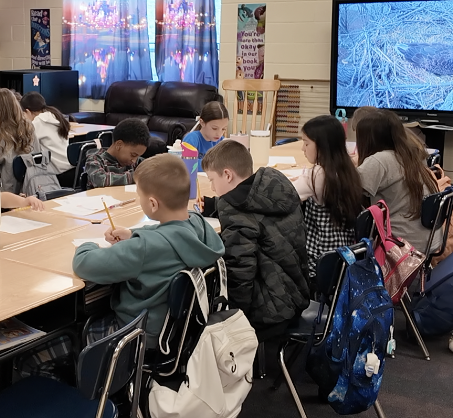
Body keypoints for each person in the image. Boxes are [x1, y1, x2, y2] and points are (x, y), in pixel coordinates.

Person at [21, 154, 224, 379]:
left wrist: (87, 244)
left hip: (134, 336)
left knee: (32, 357)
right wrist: (134, 234)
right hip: (176, 334)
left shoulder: (143, 249)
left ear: (153, 204)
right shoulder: (199, 225)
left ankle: (83, 393)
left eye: (140, 195)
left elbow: (84, 264)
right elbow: (169, 232)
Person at [201, 139, 310, 341]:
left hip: (270, 312)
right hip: (296, 293)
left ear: (227, 175)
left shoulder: (234, 211)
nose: (212, 187)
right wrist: (213, 205)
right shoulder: (275, 184)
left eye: (212, 180)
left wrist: (234, 321)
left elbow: (239, 271)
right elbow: (253, 210)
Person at [355, 109, 438, 253]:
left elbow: (346, 191)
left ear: (367, 138)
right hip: (427, 240)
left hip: (401, 246)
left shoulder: (379, 160)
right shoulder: (410, 154)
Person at [293, 115, 364, 280]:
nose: (303, 149)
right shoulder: (347, 169)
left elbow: (286, 195)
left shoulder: (318, 174)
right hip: (345, 253)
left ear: (322, 146)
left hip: (319, 259)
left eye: (306, 143)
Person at [0, 88, 39, 193]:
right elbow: (37, 153)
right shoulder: (29, 127)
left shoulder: (0, 135)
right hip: (31, 186)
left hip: (7, 191)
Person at [84, 118, 150, 189]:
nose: (134, 160)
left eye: (138, 156)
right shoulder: (95, 159)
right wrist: (137, 177)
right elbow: (100, 180)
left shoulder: (136, 162)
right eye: (133, 155)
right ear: (119, 145)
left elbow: (152, 169)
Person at [20, 92, 72, 175]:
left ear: (28, 111)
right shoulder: (55, 116)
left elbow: (22, 141)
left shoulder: (38, 122)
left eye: (23, 114)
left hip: (57, 173)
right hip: (70, 168)